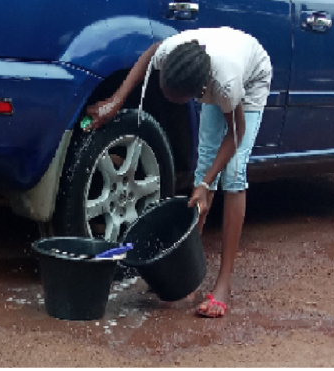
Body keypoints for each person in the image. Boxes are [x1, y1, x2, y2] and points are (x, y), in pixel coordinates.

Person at [86, 26, 272, 318]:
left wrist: (209, 183)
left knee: (233, 174)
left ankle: (223, 284)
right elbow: (150, 53)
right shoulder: (171, 54)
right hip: (215, 69)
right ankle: (185, 271)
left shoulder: (226, 84)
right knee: (203, 168)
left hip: (251, 77)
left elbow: (235, 134)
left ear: (199, 92)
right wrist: (115, 101)